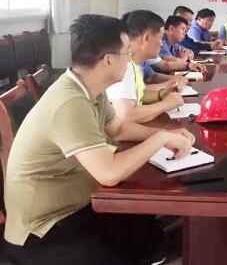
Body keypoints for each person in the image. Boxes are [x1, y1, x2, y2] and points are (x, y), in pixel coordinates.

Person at [3, 14, 195, 265]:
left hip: (74, 207)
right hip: (41, 230)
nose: (129, 60)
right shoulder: (70, 102)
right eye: (126, 53)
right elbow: (109, 173)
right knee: (131, 247)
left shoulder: (90, 88)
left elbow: (118, 129)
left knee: (147, 233)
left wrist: (168, 134)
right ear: (108, 60)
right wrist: (159, 138)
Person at [106, 10, 186, 124]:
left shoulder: (134, 64)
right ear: (146, 38)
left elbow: (137, 95)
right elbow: (126, 115)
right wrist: (165, 104)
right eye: (160, 37)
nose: (161, 43)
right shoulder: (125, 66)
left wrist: (161, 94)